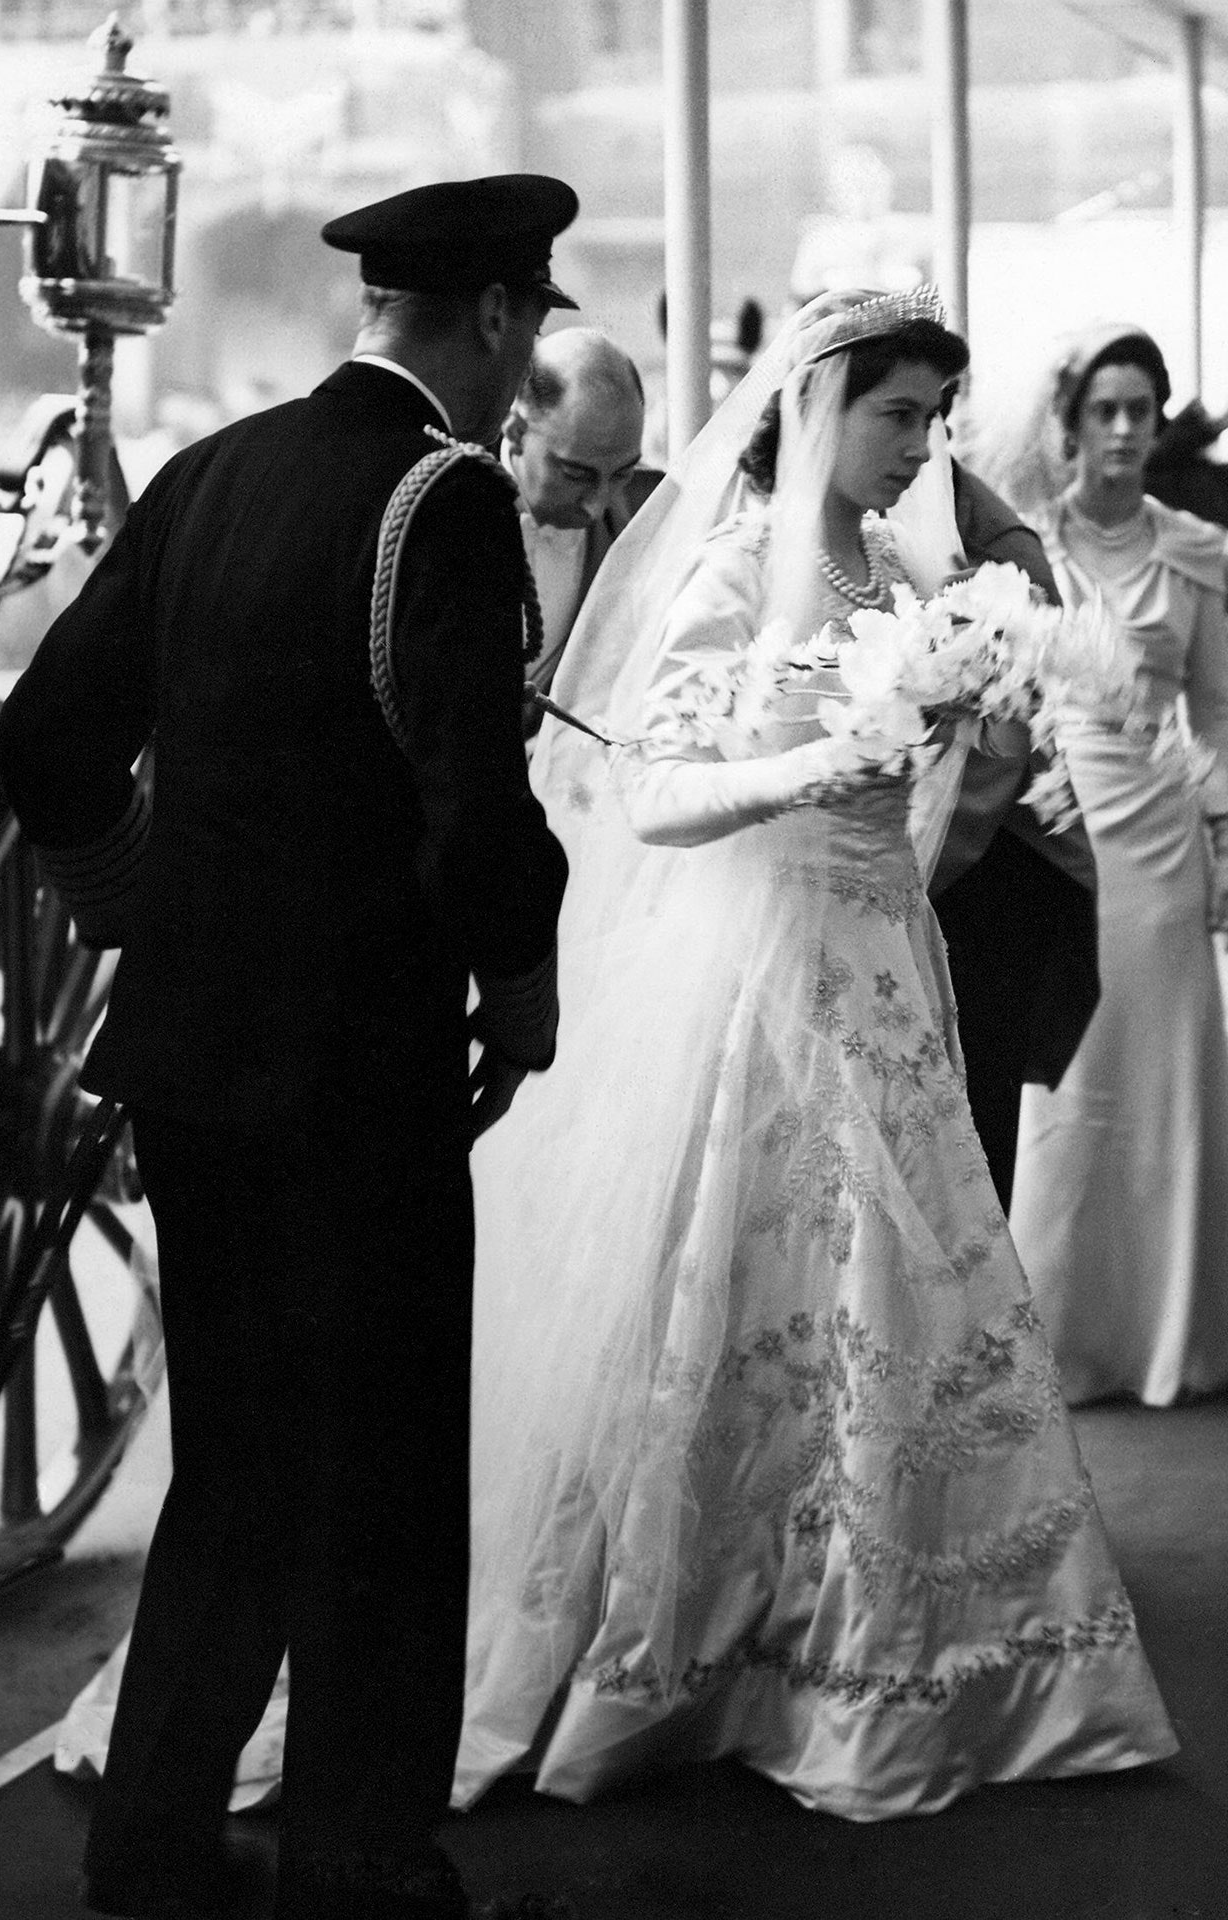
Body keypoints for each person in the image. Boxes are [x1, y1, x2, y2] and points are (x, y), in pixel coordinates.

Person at [453, 288, 1176, 1821]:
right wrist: (825, 759)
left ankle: (895, 1639)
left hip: (880, 954)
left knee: (907, 1297)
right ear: (818, 408)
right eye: (895, 415)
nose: (919, 448)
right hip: (763, 965)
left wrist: (969, 719)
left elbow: (929, 768)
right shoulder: (733, 566)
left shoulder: (897, 569)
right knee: (760, 1289)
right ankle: (717, 1633)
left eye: (935, 420)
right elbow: (655, 798)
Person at [0, 173, 575, 1920]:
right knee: (385, 1473)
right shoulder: (442, 503)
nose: (525, 364)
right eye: (529, 326)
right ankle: (359, 1854)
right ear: (486, 317)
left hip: (186, 1069)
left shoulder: (210, 474)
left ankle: (153, 1838)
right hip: (360, 1082)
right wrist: (525, 985)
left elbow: (44, 733)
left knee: (237, 1459)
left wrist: (129, 908)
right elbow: (478, 814)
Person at [997, 325, 1228, 1406]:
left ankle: (1167, 1334)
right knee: (1071, 1082)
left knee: (1163, 1084)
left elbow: (1216, 710)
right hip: (1058, 832)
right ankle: (1060, 1333)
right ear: (1074, 423)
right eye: (1106, 411)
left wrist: (1217, 823)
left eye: (1141, 409)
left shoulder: (1190, 550)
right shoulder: (1022, 545)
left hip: (1164, 844)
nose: (1126, 430)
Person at [928, 458, 1101, 1211]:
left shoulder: (998, 542)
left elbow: (1005, 757)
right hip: (888, 876)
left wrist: (894, 873)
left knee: (967, 1152)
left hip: (983, 880)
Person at [500, 327, 658, 731]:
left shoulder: (650, 514)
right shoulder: (441, 507)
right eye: (576, 474)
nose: (598, 503)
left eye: (622, 473)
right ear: (516, 431)